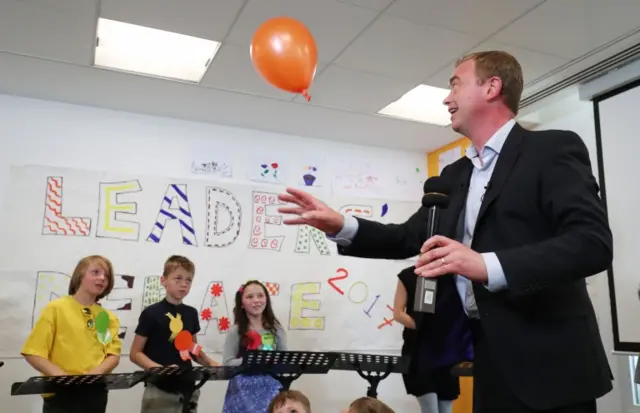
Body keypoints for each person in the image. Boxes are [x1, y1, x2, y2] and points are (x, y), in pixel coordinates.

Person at [277, 50, 613, 413]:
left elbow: (591, 244)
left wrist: (486, 266)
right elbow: (408, 236)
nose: (446, 97)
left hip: (552, 365)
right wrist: (342, 225)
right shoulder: (454, 177)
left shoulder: (550, 150)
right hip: (487, 361)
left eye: (455, 84)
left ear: (491, 88)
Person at [21, 255, 122, 413]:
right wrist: (63, 378)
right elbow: (33, 352)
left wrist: (94, 375)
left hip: (94, 393)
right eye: (95, 272)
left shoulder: (106, 317)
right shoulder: (56, 309)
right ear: (80, 275)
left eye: (106, 276)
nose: (102, 278)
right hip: (61, 394)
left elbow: (112, 355)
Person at [130, 255, 219, 413]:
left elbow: (192, 348)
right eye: (178, 278)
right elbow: (135, 353)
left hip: (188, 388)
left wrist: (209, 362)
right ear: (163, 281)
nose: (184, 284)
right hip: (159, 390)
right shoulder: (151, 313)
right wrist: (160, 369)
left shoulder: (191, 313)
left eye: (188, 280)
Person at [393, 265, 472, 413]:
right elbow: (398, 313)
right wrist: (419, 325)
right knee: (430, 408)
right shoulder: (409, 275)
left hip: (446, 351)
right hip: (418, 351)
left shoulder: (453, 276)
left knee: (446, 407)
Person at [222, 280, 287, 413]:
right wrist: (252, 360)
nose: (256, 300)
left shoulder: (277, 329)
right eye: (250, 297)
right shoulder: (236, 330)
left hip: (272, 389)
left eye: (260, 296)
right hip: (242, 392)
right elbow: (227, 363)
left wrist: (273, 362)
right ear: (242, 303)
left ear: (266, 299)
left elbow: (285, 359)